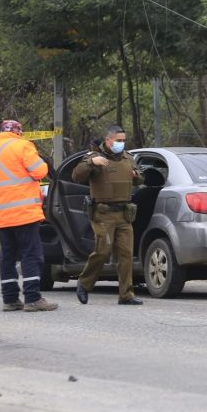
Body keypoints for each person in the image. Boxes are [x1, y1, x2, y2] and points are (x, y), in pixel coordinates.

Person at [0, 120, 58, 312]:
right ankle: (32, 298)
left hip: (2, 214)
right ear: (19, 132)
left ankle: (10, 298)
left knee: (7, 256)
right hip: (24, 212)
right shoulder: (23, 146)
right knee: (31, 255)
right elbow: (40, 171)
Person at [73, 125, 144, 305]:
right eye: (118, 140)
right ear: (108, 140)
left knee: (126, 254)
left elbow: (141, 178)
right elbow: (76, 176)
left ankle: (126, 294)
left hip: (124, 214)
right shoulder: (94, 157)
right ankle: (84, 282)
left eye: (123, 140)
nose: (121, 143)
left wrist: (136, 175)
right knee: (103, 251)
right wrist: (91, 163)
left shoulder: (128, 158)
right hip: (103, 213)